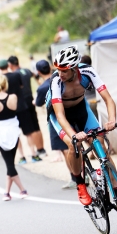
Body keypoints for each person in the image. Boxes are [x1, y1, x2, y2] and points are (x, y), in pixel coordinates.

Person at [45, 46, 117, 209]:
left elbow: (108, 98)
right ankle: (80, 183)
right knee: (74, 146)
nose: (60, 73)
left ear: (74, 68)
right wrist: (74, 135)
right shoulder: (56, 81)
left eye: (64, 70)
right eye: (58, 69)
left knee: (101, 147)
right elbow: (60, 115)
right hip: (60, 115)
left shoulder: (88, 72)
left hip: (81, 110)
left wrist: (111, 120)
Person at [34, 59, 77, 190]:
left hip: (56, 118)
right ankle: (82, 173)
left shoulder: (42, 88)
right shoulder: (60, 79)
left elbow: (38, 103)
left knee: (65, 149)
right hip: (71, 113)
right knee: (76, 144)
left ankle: (75, 177)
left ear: (39, 72)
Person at [0, 75, 28, 201]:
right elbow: (15, 110)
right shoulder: (13, 97)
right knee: (10, 162)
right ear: (6, 84)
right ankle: (7, 192)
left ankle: (22, 190)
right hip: (13, 131)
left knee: (9, 163)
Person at [0, 59, 40, 164]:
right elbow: (21, 86)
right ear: (8, 65)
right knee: (28, 132)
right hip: (22, 106)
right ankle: (33, 154)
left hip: (10, 109)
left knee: (16, 134)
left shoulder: (1, 79)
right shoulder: (16, 75)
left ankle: (22, 156)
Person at [8, 56, 46, 157]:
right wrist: (40, 85)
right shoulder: (26, 70)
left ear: (10, 64)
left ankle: (37, 150)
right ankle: (41, 149)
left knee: (30, 128)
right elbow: (36, 75)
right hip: (30, 98)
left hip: (22, 101)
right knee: (36, 125)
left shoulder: (14, 75)